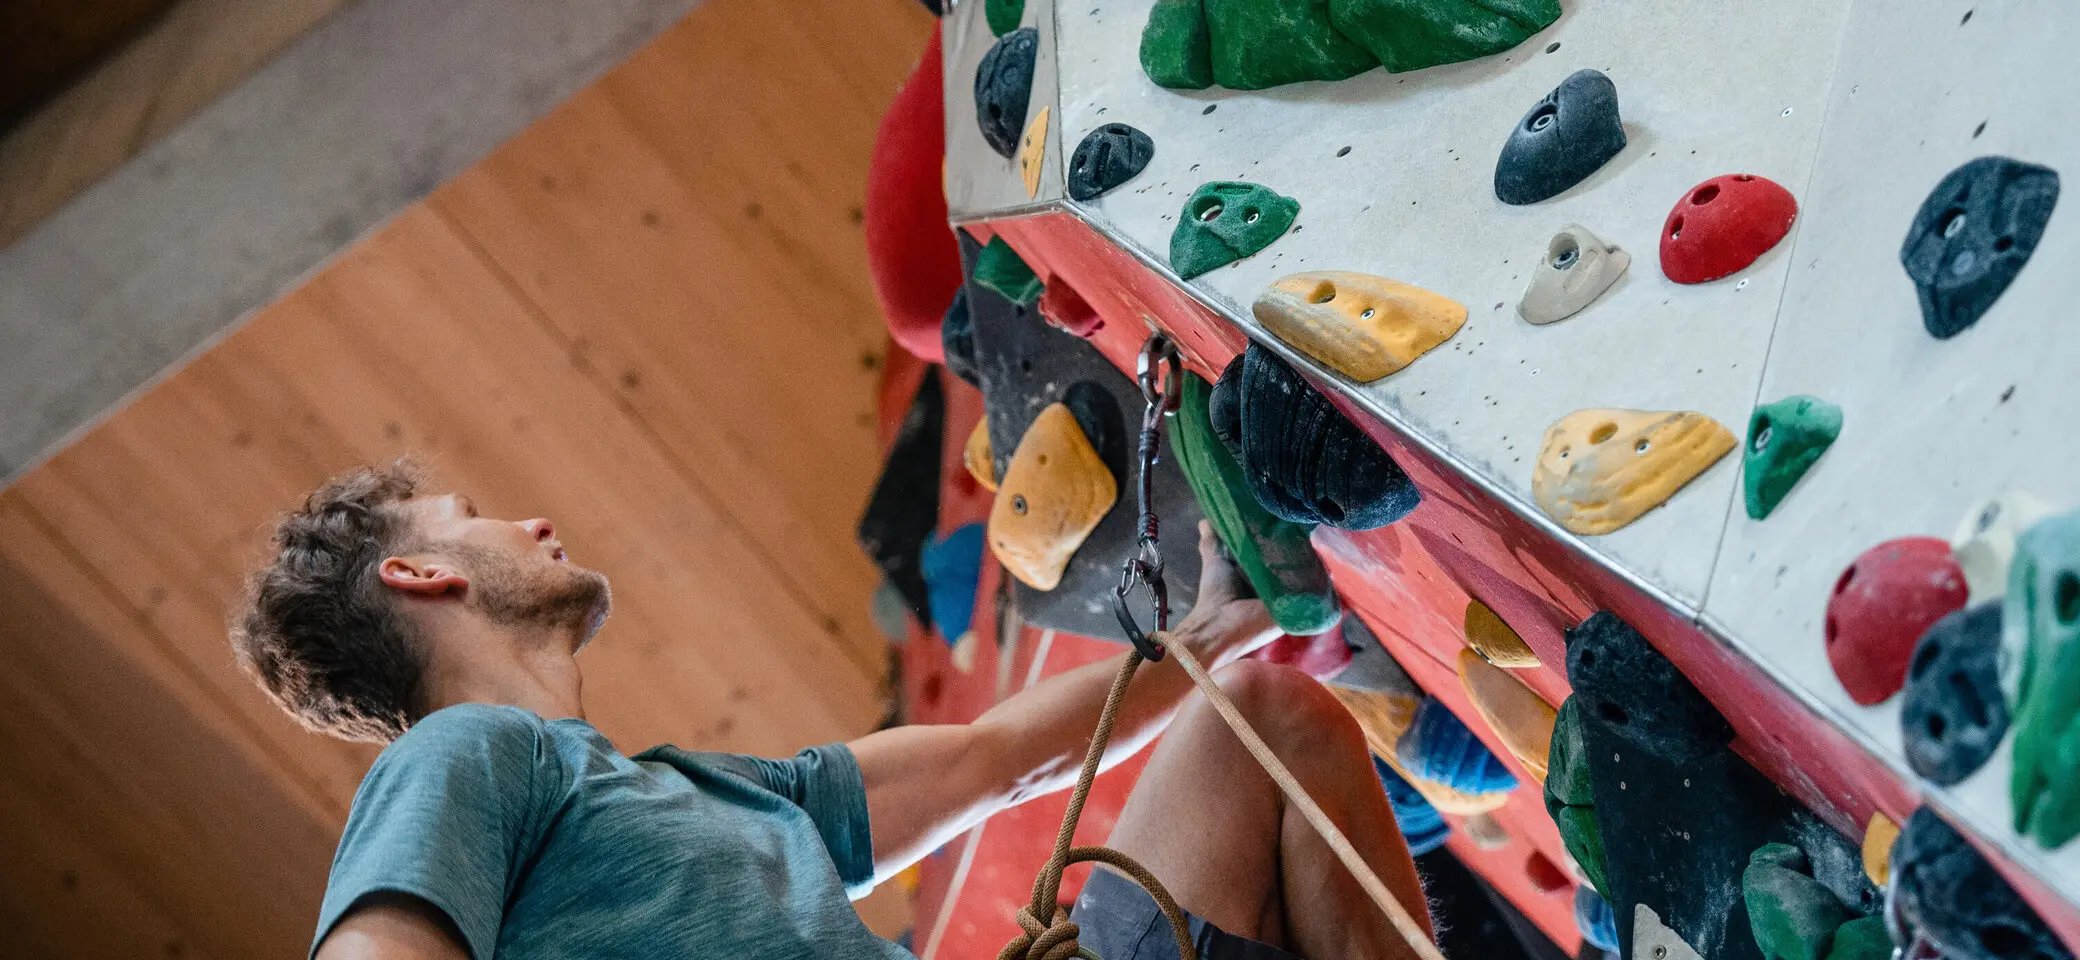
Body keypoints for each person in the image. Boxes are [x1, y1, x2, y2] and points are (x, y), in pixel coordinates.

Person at [233, 463, 1433, 960]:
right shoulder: (464, 753)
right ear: (419, 576)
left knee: (1265, 718)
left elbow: (992, 758)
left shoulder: (684, 797)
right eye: (470, 518)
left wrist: (1212, 631)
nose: (527, 526)